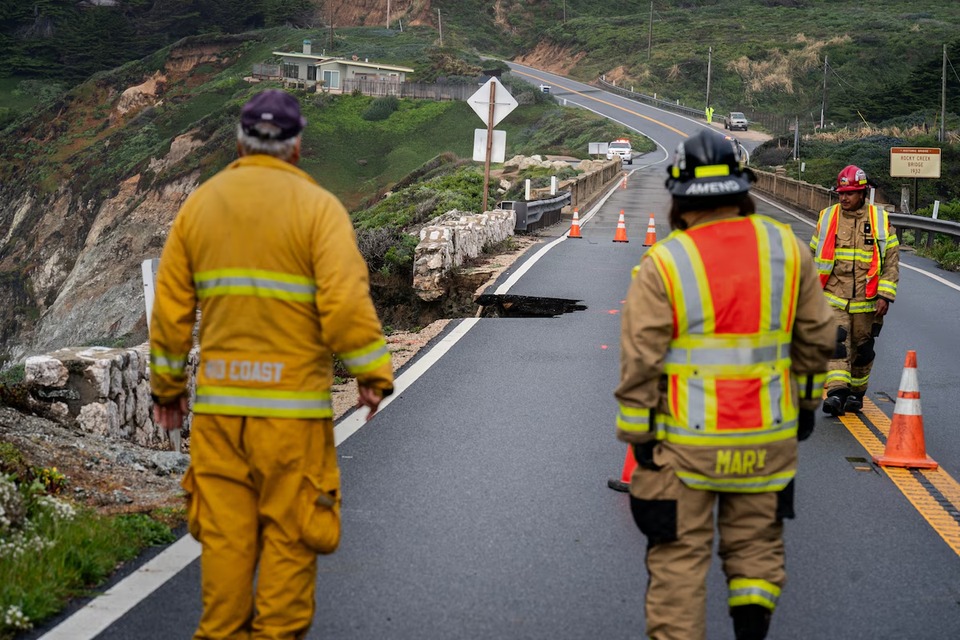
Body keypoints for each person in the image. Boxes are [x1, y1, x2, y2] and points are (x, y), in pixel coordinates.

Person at [149, 89, 394, 640]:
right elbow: (346, 304)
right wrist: (372, 375)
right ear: (296, 145)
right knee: (289, 548)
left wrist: (167, 390)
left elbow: (169, 312)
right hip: (292, 425)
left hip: (220, 423)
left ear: (239, 141)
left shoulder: (200, 206)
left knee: (227, 550)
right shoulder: (319, 210)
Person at [615, 132, 834, 640]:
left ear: (679, 193)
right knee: (756, 554)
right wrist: (805, 404)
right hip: (766, 442)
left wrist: (640, 439)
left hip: (684, 448)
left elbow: (639, 360)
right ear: (744, 188)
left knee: (677, 567)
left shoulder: (664, 263)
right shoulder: (787, 248)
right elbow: (819, 335)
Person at [810, 165, 899, 416]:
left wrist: (885, 295)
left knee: (863, 349)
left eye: (849, 193)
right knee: (836, 343)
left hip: (868, 301)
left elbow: (891, 261)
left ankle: (856, 395)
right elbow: (812, 255)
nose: (844, 198)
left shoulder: (879, 221)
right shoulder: (827, 218)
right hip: (833, 296)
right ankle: (836, 394)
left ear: (862, 193)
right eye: (841, 193)